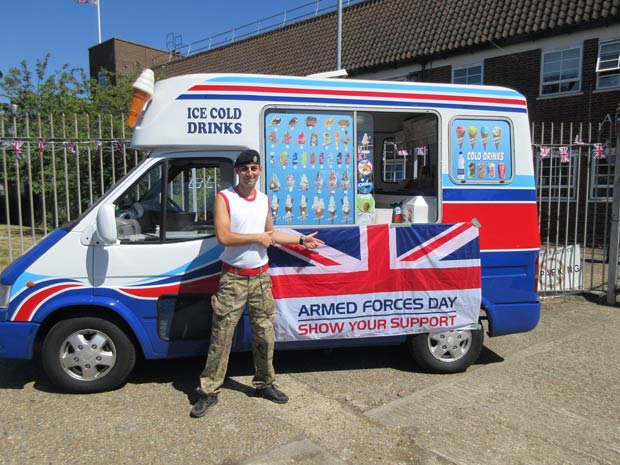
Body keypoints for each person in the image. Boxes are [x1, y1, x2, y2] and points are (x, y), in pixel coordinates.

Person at [190, 149, 324, 418]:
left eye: (254, 169)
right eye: (244, 169)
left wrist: (300, 240)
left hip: (261, 278)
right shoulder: (224, 198)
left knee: (265, 334)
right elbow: (224, 237)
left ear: (260, 171)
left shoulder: (263, 199)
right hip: (233, 279)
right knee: (222, 337)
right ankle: (208, 391)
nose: (249, 173)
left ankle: (264, 383)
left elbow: (270, 233)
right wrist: (257, 238)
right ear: (237, 171)